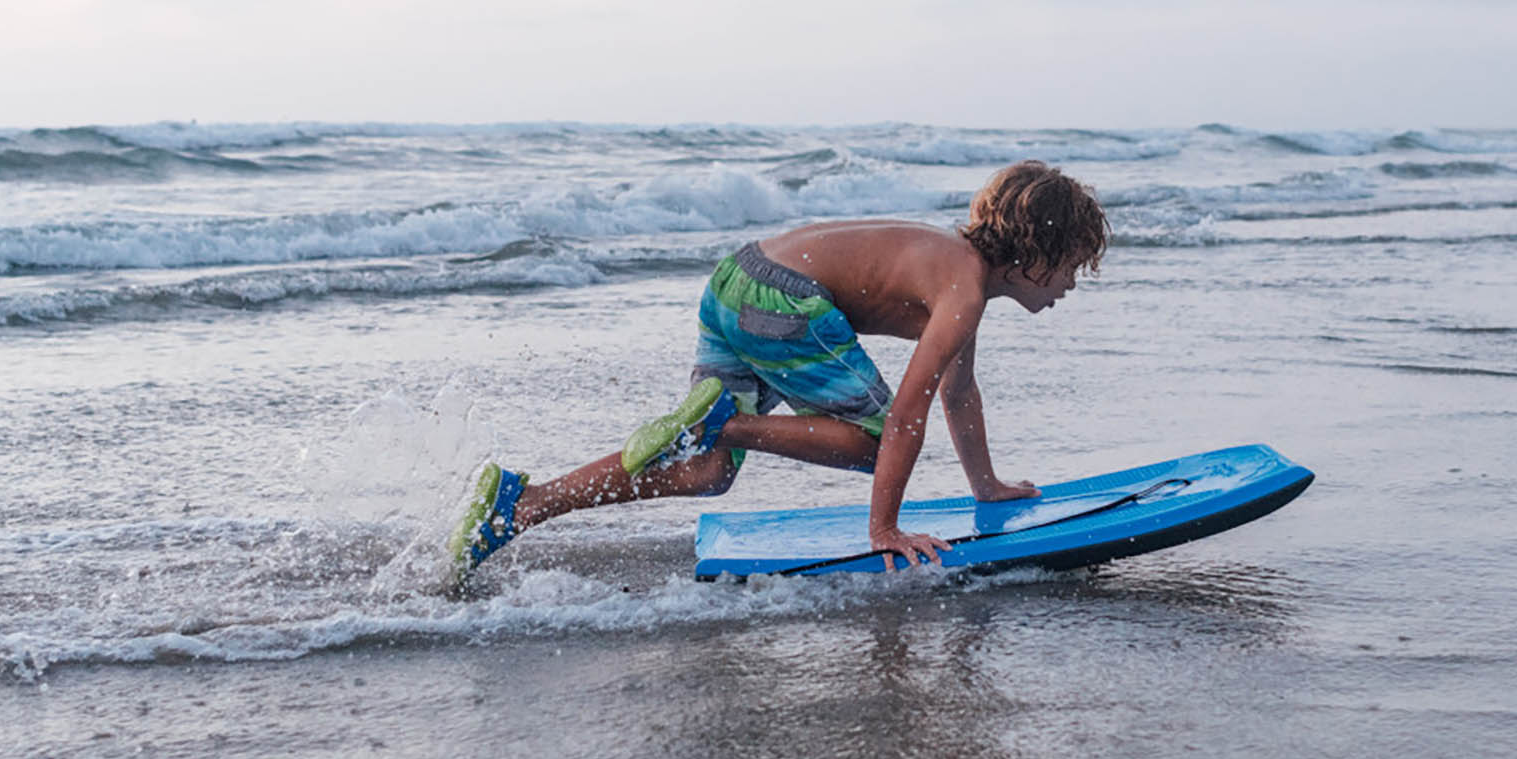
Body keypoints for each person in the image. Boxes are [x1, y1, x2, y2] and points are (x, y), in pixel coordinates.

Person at [448, 159, 1108, 576]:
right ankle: (727, 423)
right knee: (876, 439)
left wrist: (985, 482)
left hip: (736, 279)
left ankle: (522, 504)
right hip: (783, 297)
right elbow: (907, 414)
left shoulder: (957, 275)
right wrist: (883, 529)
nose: (1071, 286)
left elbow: (959, 394)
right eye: (1072, 267)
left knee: (707, 471)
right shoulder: (962, 288)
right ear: (1033, 253)